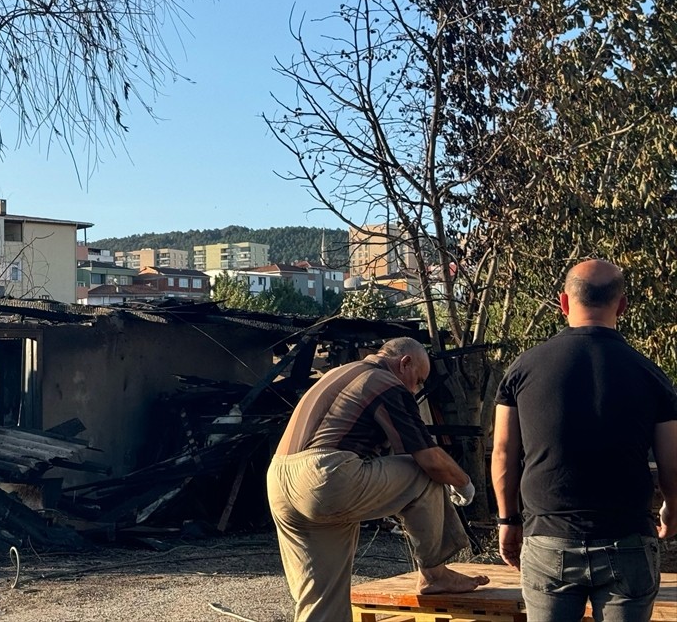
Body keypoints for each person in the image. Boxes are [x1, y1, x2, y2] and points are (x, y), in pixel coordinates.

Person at [492, 259, 677, 621]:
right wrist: (672, 506)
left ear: (563, 302)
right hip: (628, 539)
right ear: (621, 305)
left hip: (548, 539)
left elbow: (502, 453)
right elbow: (673, 460)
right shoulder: (650, 374)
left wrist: (507, 520)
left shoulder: (523, 369)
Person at [267, 337, 489, 622]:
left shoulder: (337, 374)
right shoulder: (385, 381)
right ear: (404, 363)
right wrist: (464, 483)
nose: (416, 388)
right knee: (425, 472)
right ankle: (434, 574)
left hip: (279, 480)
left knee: (323, 599)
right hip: (326, 477)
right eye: (418, 379)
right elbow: (430, 459)